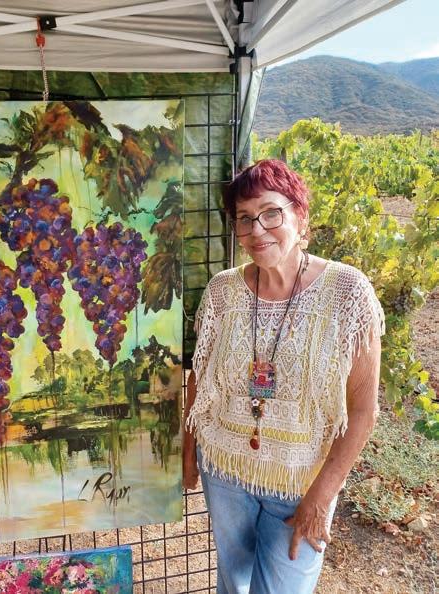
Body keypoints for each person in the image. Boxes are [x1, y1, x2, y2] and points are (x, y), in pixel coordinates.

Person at [182, 159, 384, 594]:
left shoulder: (348, 292)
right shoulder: (222, 291)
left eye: (271, 213)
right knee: (233, 584)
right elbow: (200, 378)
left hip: (301, 481)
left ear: (300, 216)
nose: (257, 229)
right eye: (244, 218)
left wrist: (322, 496)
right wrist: (188, 453)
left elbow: (364, 410)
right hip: (225, 470)